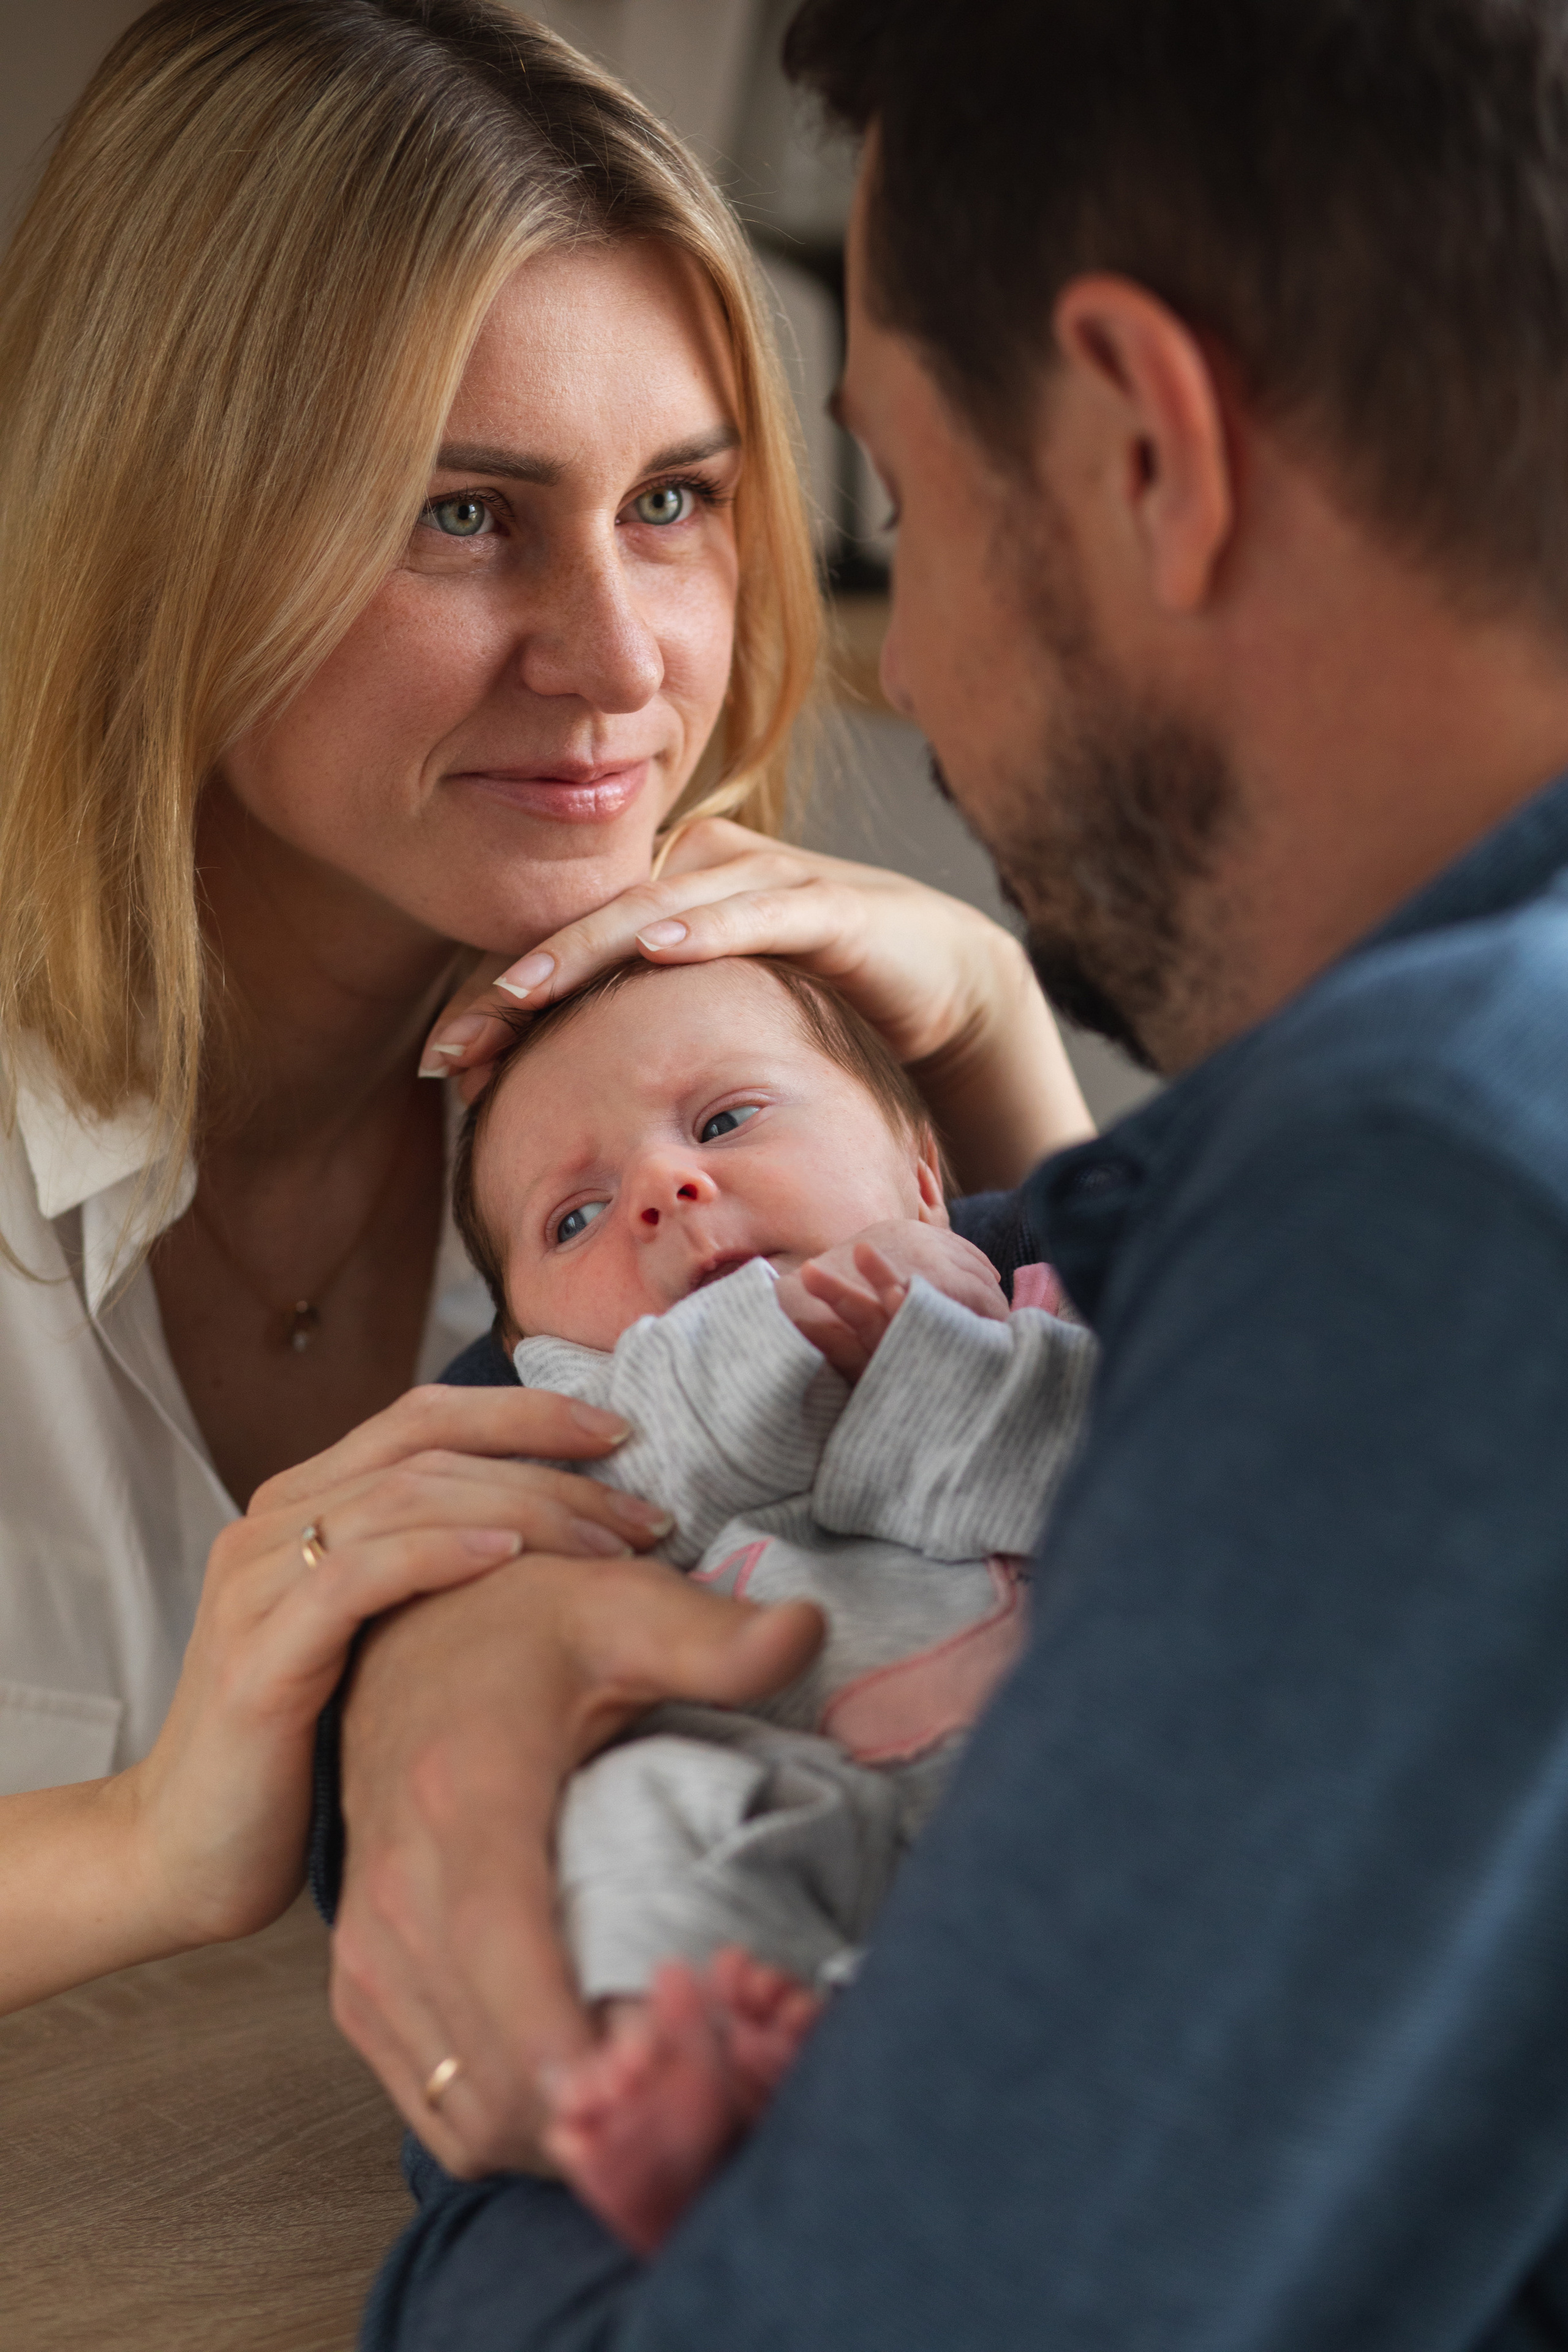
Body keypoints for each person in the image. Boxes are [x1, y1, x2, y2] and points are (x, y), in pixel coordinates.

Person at [336, 2, 1568, 2347]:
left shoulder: (1449, 1200)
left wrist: (503, 2110)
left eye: (888, 498)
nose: (918, 693)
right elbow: (886, 1306)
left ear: (1140, 444)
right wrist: (440, 1667)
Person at [0, 4, 1085, 2006]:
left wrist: (1001, 1035)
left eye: (674, 499)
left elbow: (1130, 1546)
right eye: (462, 513)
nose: (616, 665)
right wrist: (155, 1841)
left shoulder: (707, 1088)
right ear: (166, 540)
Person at [445, 951, 1094, 2251]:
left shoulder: (1044, 1306)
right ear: (535, 1353)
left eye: (726, 1120)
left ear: (921, 1178)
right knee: (632, 1812)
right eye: (571, 1218)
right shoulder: (596, 1439)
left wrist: (941, 1356)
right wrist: (774, 1336)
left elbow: (1096, 1490)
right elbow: (665, 1463)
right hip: (800, 1814)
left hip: (1078, 1776)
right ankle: (689, 2077)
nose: (663, 1190)